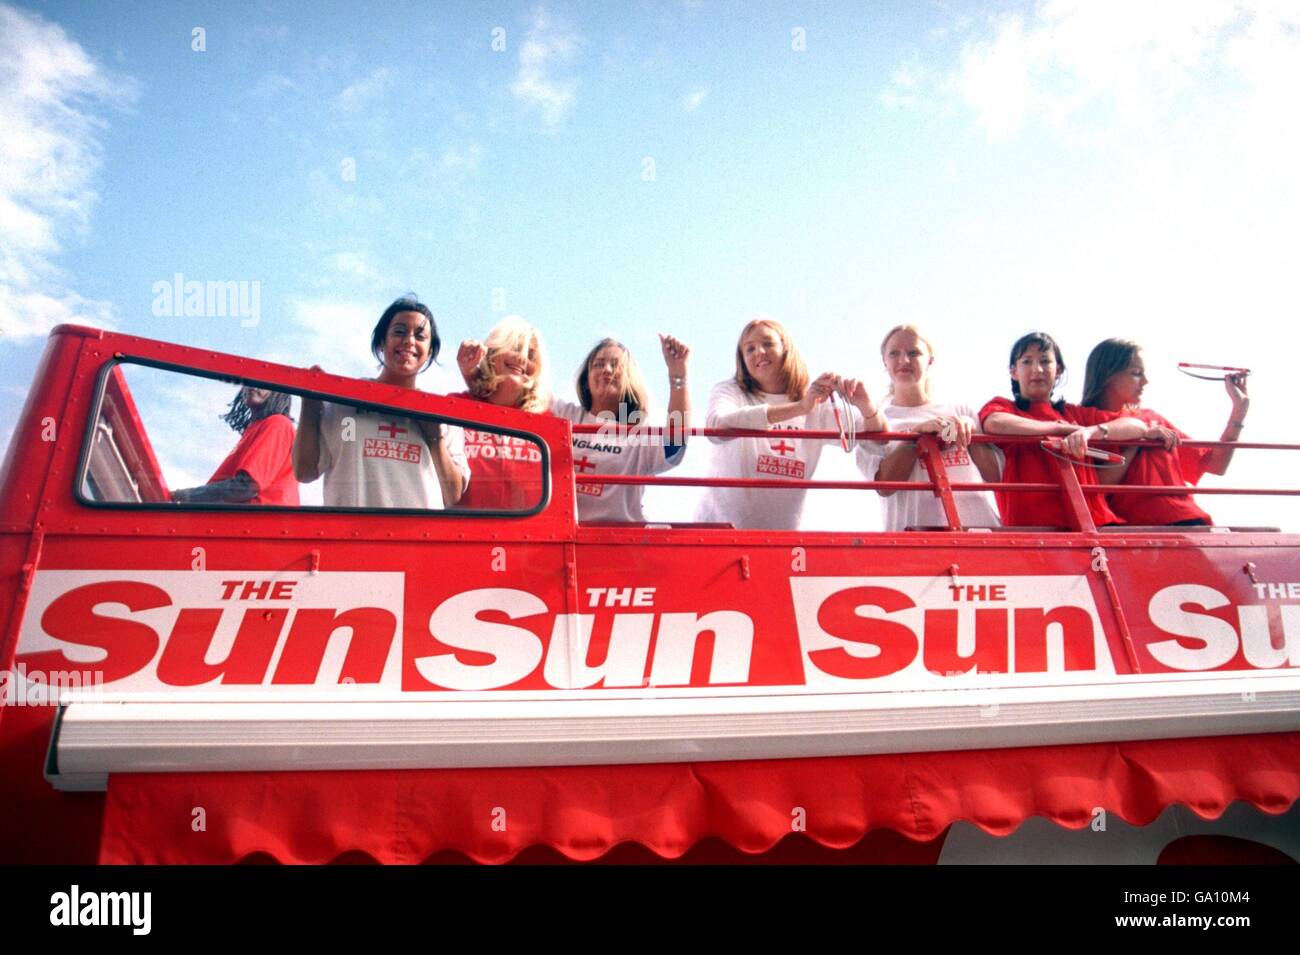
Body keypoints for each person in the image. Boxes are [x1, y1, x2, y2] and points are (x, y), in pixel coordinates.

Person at [695, 317, 888, 530]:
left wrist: (866, 405)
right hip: (719, 532)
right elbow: (717, 427)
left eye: (768, 343)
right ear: (742, 360)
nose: (759, 351)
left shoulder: (817, 401)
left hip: (783, 538)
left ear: (786, 348)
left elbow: (877, 438)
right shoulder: (730, 390)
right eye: (749, 349)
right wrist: (801, 408)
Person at [979, 331, 1174, 528]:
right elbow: (994, 422)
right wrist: (1059, 429)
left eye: (1045, 361)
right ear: (1013, 371)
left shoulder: (1076, 414)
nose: (1037, 369)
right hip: (1035, 529)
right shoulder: (1005, 407)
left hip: (1096, 525)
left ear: (1059, 370)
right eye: (1027, 362)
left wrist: (1089, 432)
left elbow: (1135, 424)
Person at [292, 296, 469, 508]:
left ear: (429, 351)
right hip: (351, 539)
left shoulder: (443, 417)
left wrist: (434, 436)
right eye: (399, 331)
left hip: (417, 540)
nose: (409, 341)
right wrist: (310, 406)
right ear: (382, 342)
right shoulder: (344, 403)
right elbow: (304, 472)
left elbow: (452, 495)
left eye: (420, 336)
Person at [1080, 338, 1250, 526]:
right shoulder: (1083, 420)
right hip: (1135, 529)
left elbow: (1216, 464)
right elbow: (1092, 487)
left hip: (1189, 521)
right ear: (1107, 375)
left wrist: (1239, 410)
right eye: (1136, 373)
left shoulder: (1153, 418)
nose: (1145, 381)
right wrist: (1138, 439)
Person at [857, 325, 1001, 530]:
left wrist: (970, 432)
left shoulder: (961, 410)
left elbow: (993, 475)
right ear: (884, 361)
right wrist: (918, 436)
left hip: (980, 534)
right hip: (916, 542)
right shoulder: (876, 421)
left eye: (914, 353)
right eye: (894, 353)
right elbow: (884, 485)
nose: (904, 360)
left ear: (930, 360)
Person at [550, 334, 691, 523]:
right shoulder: (564, 414)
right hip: (558, 538)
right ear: (586, 379)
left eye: (616, 365)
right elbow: (528, 392)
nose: (607, 370)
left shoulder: (638, 435)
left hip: (618, 543)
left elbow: (675, 445)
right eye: (598, 364)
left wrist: (678, 376)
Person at [453, 316, 551, 510]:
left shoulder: (547, 419)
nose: (523, 359)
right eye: (515, 348)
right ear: (493, 352)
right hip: (463, 529)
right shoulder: (455, 405)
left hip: (528, 534)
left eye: (531, 356)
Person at [171, 386, 299, 505]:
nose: (253, 385)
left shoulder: (278, 423)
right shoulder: (255, 429)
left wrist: (180, 496)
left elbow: (245, 487)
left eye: (263, 383)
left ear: (279, 392)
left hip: (258, 523)